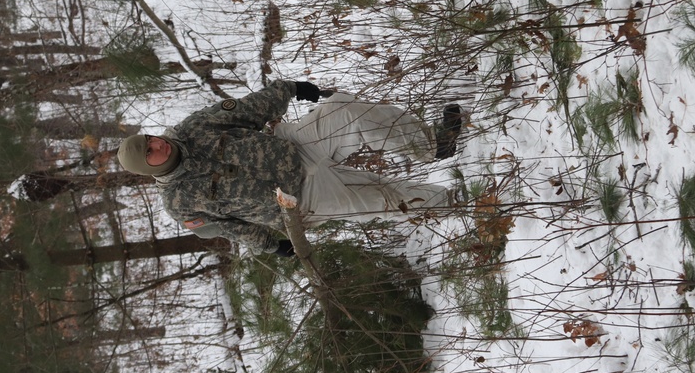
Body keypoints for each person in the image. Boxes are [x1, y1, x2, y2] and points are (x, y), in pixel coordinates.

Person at [116, 79, 462, 255]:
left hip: (295, 148)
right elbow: (231, 229)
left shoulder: (192, 130)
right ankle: (458, 205)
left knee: (344, 109)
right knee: (382, 199)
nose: (157, 144)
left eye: (150, 138)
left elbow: (247, 110)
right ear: (149, 168)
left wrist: (289, 88)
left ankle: (433, 146)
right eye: (150, 151)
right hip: (300, 200)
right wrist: (271, 246)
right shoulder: (179, 203)